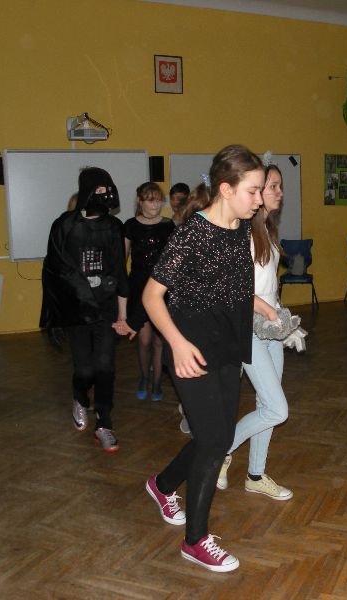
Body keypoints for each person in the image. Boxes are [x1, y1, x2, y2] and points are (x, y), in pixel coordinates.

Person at [142, 144, 263, 573]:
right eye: (253, 191)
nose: (260, 200)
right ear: (226, 189)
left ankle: (162, 485)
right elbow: (151, 296)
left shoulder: (241, 229)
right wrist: (175, 343)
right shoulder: (193, 234)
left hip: (228, 348)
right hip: (190, 351)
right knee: (213, 443)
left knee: (217, 437)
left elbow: (231, 288)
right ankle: (195, 541)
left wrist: (264, 309)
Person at [40, 167, 135, 454]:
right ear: (87, 191)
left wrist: (122, 315)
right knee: (84, 369)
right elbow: (54, 271)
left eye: (109, 189)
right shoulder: (64, 226)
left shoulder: (113, 227)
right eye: (100, 190)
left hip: (106, 309)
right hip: (77, 310)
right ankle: (80, 398)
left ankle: (104, 422)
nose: (106, 195)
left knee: (105, 367)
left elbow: (119, 272)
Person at [216, 162, 293, 501]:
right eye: (273, 186)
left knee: (267, 406)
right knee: (277, 409)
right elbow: (233, 291)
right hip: (247, 329)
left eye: (279, 186)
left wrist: (282, 319)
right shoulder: (242, 232)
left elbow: (267, 287)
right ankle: (220, 450)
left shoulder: (267, 230)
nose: (279, 192)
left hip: (271, 328)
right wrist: (269, 312)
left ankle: (256, 475)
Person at [124, 182, 176, 402]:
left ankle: (156, 383)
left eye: (158, 200)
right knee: (144, 340)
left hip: (162, 288)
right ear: (140, 201)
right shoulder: (130, 225)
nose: (155, 205)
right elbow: (122, 259)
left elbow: (174, 259)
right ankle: (144, 377)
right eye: (150, 200)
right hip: (138, 288)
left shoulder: (168, 225)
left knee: (159, 341)